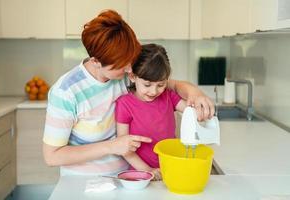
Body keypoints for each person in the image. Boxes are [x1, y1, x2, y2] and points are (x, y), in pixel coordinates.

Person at [43, 10, 214, 176]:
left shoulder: (126, 77)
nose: (130, 69)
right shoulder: (66, 92)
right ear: (96, 61)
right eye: (121, 64)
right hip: (83, 184)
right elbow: (52, 156)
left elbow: (172, 86)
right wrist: (110, 146)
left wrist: (195, 93)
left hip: (128, 178)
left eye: (129, 60)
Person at [115, 44, 188, 180]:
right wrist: (148, 171)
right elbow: (124, 148)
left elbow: (190, 112)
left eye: (161, 85)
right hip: (140, 173)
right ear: (132, 76)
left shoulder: (168, 96)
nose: (154, 91)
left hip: (170, 168)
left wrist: (201, 107)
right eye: (147, 85)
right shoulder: (124, 104)